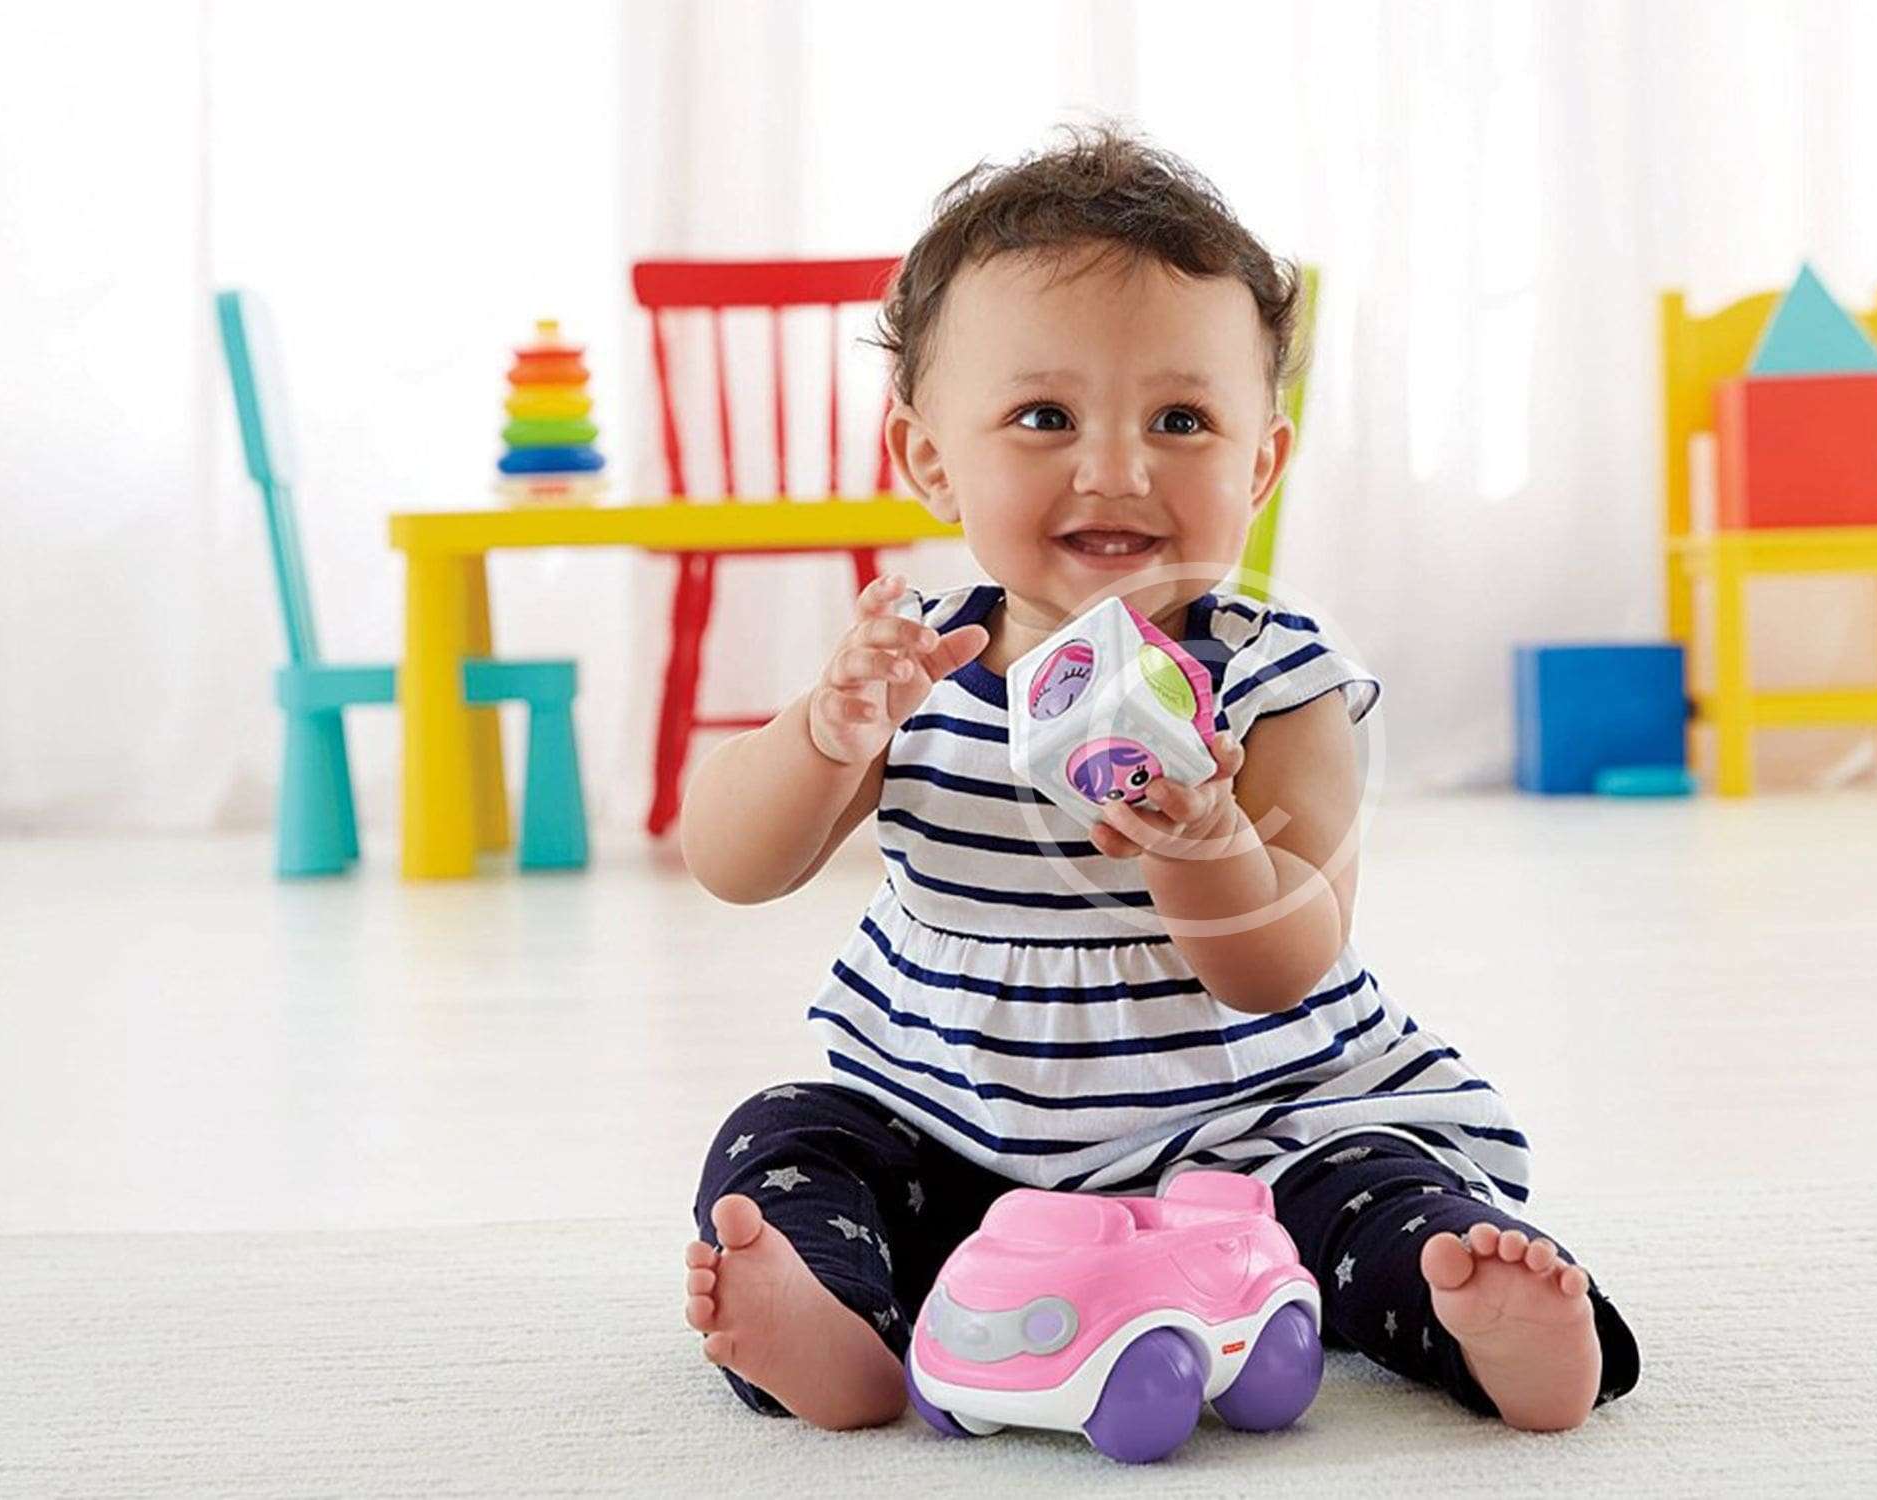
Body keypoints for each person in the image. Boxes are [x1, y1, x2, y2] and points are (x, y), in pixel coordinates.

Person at [676, 125, 1637, 1435]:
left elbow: (1283, 962)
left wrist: (1206, 840)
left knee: (1371, 1196)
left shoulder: (1279, 680)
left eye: (1181, 421)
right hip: (962, 1142)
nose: (1117, 469)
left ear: (1260, 463)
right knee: (787, 1137)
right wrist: (824, 736)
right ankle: (838, 1326)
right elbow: (732, 864)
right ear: (932, 460)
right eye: (1045, 418)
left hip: (1254, 1135)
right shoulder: (911, 668)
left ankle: (1474, 1313)